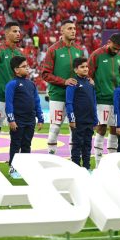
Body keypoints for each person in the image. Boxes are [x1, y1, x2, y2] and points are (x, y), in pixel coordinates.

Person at [41, 20, 87, 155]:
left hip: (76, 97)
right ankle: (51, 158)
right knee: (55, 127)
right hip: (58, 95)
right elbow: (45, 74)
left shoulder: (79, 50)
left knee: (76, 128)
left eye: (74, 28)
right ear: (62, 31)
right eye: (69, 28)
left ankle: (74, 159)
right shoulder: (53, 50)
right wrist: (64, 81)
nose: (73, 31)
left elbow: (83, 70)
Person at [0, 21, 24, 161]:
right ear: (6, 33)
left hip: (16, 98)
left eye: (19, 31)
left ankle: (14, 159)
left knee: (16, 128)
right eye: (14, 31)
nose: (18, 34)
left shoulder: (19, 53)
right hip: (0, 97)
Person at [88, 33, 120, 164]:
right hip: (101, 98)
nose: (116, 51)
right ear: (108, 42)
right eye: (114, 48)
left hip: (116, 100)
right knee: (101, 128)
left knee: (114, 129)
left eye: (118, 49)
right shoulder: (97, 55)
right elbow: (88, 75)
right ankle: (98, 163)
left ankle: (112, 163)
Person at [5, 56, 44, 178]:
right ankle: (13, 168)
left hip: (30, 120)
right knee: (16, 144)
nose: (27, 68)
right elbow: (9, 103)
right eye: (24, 66)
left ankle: (25, 168)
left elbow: (37, 101)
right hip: (18, 121)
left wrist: (40, 118)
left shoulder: (31, 84)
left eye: (27, 66)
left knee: (27, 144)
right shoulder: (12, 84)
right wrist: (11, 120)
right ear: (16, 70)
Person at [65, 57, 97, 170]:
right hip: (78, 121)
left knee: (87, 145)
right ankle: (76, 169)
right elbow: (69, 103)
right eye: (82, 67)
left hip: (89, 121)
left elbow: (94, 102)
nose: (85, 69)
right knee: (77, 145)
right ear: (75, 70)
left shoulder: (90, 83)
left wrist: (95, 119)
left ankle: (87, 167)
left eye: (86, 66)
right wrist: (72, 119)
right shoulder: (73, 83)